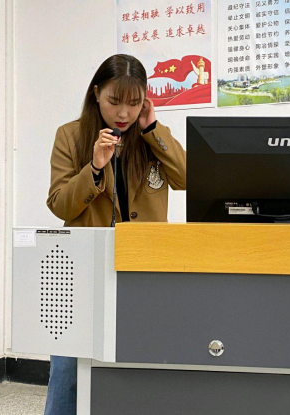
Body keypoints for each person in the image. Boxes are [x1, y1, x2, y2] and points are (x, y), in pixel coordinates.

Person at [44, 54, 186, 414]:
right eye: (114, 101)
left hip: (143, 268)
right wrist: (94, 167)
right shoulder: (70, 136)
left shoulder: (152, 138)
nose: (124, 113)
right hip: (84, 268)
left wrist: (153, 129)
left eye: (134, 102)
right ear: (96, 94)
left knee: (139, 367)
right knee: (68, 370)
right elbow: (60, 205)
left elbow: (187, 179)